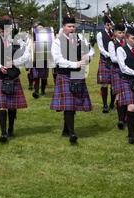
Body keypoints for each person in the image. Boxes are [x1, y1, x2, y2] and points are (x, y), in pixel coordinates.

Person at [50, 15, 94, 144]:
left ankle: (66, 129)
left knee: (73, 104)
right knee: (69, 105)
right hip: (65, 74)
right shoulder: (57, 41)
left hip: (77, 74)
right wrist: (75, 64)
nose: (72, 29)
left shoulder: (80, 38)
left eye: (73, 26)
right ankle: (72, 133)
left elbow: (91, 51)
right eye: (69, 26)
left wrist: (87, 56)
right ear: (63, 27)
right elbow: (58, 60)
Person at [0, 16, 30, 143]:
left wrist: (14, 62)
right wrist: (0, 67)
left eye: (9, 29)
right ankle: (3, 133)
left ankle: (11, 128)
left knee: (12, 106)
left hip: (13, 76)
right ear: (0, 30)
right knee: (2, 105)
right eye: (4, 30)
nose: (6, 32)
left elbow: (26, 55)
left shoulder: (17, 41)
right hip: (0, 76)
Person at [108, 24, 127, 130]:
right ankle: (120, 119)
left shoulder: (126, 42)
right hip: (117, 70)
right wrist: (123, 59)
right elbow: (113, 58)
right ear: (115, 33)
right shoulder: (112, 43)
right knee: (120, 93)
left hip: (127, 70)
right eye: (119, 32)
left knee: (126, 93)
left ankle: (125, 116)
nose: (121, 34)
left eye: (123, 32)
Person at [96, 16, 115, 113]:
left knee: (113, 83)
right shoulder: (100, 34)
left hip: (114, 61)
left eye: (111, 24)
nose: (110, 26)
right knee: (104, 83)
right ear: (105, 25)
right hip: (105, 60)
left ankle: (112, 102)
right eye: (108, 24)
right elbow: (101, 48)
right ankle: (104, 105)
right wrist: (109, 55)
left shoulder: (114, 34)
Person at [30, 23, 51, 99]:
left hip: (45, 59)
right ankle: (36, 91)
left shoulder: (48, 38)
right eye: (38, 28)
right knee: (36, 76)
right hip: (35, 60)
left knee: (44, 77)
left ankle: (42, 91)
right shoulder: (32, 39)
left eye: (41, 28)